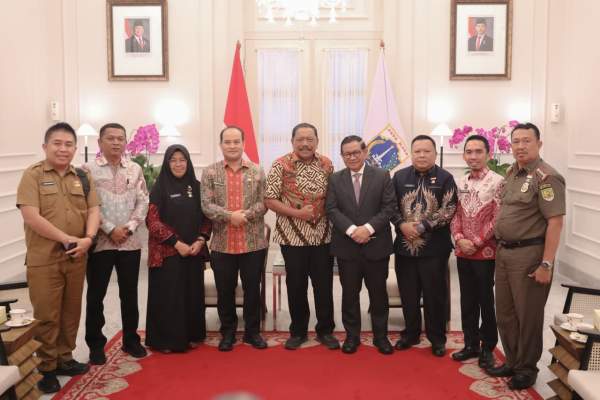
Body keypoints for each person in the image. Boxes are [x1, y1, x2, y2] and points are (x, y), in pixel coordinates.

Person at [16, 122, 100, 394]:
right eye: (57, 143)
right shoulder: (33, 175)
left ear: (75, 148)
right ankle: (47, 367)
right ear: (45, 146)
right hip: (45, 259)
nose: (63, 149)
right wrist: (65, 238)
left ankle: (65, 358)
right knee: (46, 315)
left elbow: (94, 210)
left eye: (68, 144)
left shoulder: (82, 177)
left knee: (71, 311)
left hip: (76, 257)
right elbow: (31, 216)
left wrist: (88, 238)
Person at [486, 123, 565, 390]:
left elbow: (555, 222)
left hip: (529, 255)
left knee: (528, 316)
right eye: (516, 141)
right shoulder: (512, 173)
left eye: (526, 141)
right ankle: (512, 360)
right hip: (504, 253)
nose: (520, 146)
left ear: (539, 143)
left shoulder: (548, 177)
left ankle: (527, 369)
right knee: (505, 313)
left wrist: (546, 264)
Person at [265, 123, 339, 351]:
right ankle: (298, 331)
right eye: (300, 139)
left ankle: (325, 330)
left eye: (310, 139)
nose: (305, 144)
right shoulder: (280, 165)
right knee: (296, 286)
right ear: (292, 141)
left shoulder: (327, 164)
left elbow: (335, 197)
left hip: (323, 237)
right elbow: (269, 199)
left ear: (317, 141)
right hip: (292, 238)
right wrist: (297, 213)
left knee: (323, 286)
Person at [83, 123, 148, 365]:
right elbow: (86, 205)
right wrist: (110, 228)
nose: (116, 142)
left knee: (129, 294)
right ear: (100, 142)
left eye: (120, 138)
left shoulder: (135, 168)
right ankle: (96, 345)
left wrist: (129, 227)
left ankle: (131, 340)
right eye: (110, 138)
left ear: (125, 142)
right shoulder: (87, 170)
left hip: (130, 242)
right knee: (96, 295)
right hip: (100, 242)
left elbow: (143, 201)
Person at [326, 136, 396, 355]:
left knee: (378, 295)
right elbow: (331, 209)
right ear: (342, 156)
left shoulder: (382, 175)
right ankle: (352, 336)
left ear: (365, 152)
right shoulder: (335, 179)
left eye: (356, 152)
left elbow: (389, 208)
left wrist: (367, 229)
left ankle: (381, 337)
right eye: (347, 154)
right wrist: (351, 230)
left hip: (376, 246)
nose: (352, 157)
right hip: (347, 248)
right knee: (349, 295)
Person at [201, 126, 268, 351]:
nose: (232, 146)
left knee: (252, 290)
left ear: (243, 143)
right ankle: (228, 332)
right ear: (221, 145)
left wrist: (244, 216)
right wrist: (230, 216)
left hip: (253, 243)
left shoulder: (257, 171)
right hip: (222, 244)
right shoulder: (210, 172)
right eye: (227, 142)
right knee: (225, 291)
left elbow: (264, 202)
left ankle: (252, 333)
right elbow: (206, 205)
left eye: (236, 141)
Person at [392, 134, 457, 357]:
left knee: (434, 296)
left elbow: (449, 209)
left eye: (426, 151)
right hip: (404, 248)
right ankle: (410, 334)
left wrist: (422, 227)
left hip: (434, 250)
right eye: (417, 151)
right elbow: (389, 205)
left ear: (435, 153)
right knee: (408, 294)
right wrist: (401, 224)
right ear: (411, 154)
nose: (421, 155)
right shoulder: (399, 177)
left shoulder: (445, 178)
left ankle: (437, 338)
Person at [145, 144, 212, 353]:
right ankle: (166, 340)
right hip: (168, 252)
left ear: (188, 162)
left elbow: (207, 218)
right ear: (167, 163)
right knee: (170, 297)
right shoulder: (159, 188)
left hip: (193, 251)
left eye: (182, 160)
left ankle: (191, 335)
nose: (178, 164)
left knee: (191, 295)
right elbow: (152, 221)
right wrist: (176, 243)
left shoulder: (197, 187)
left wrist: (201, 240)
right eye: (173, 160)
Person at [450, 135, 503, 369]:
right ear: (464, 155)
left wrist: (478, 241)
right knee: (467, 300)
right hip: (463, 252)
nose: (473, 156)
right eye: (469, 152)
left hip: (486, 253)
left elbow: (498, 218)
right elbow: (455, 215)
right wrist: (459, 239)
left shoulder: (498, 182)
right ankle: (470, 344)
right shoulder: (460, 182)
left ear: (488, 154)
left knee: (485, 300)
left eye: (478, 151)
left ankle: (487, 347)